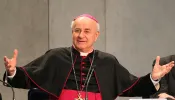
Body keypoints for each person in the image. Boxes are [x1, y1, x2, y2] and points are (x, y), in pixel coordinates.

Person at [3, 14, 174, 100]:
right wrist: (13, 72)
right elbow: (28, 78)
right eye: (77, 30)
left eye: (86, 31)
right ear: (72, 33)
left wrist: (153, 78)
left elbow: (131, 86)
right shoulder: (55, 56)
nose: (81, 35)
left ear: (96, 35)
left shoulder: (108, 61)